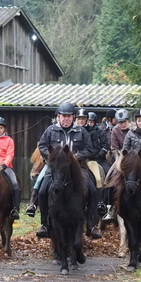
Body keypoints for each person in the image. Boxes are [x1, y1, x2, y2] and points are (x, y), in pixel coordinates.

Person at [35, 101, 102, 239]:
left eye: (69, 116)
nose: (66, 119)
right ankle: (44, 224)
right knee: (42, 190)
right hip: (55, 167)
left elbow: (89, 149)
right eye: (63, 116)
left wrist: (75, 157)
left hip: (78, 167)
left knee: (92, 189)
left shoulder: (81, 131)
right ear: (58, 116)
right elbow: (42, 146)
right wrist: (52, 158)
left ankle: (91, 224)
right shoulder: (51, 130)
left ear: (73, 117)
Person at [103, 108, 131, 224]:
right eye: (120, 122)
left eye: (124, 122)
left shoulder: (133, 130)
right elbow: (113, 147)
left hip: (133, 158)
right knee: (110, 178)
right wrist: (119, 158)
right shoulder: (115, 130)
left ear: (128, 121)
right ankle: (110, 208)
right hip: (119, 157)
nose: (122, 124)